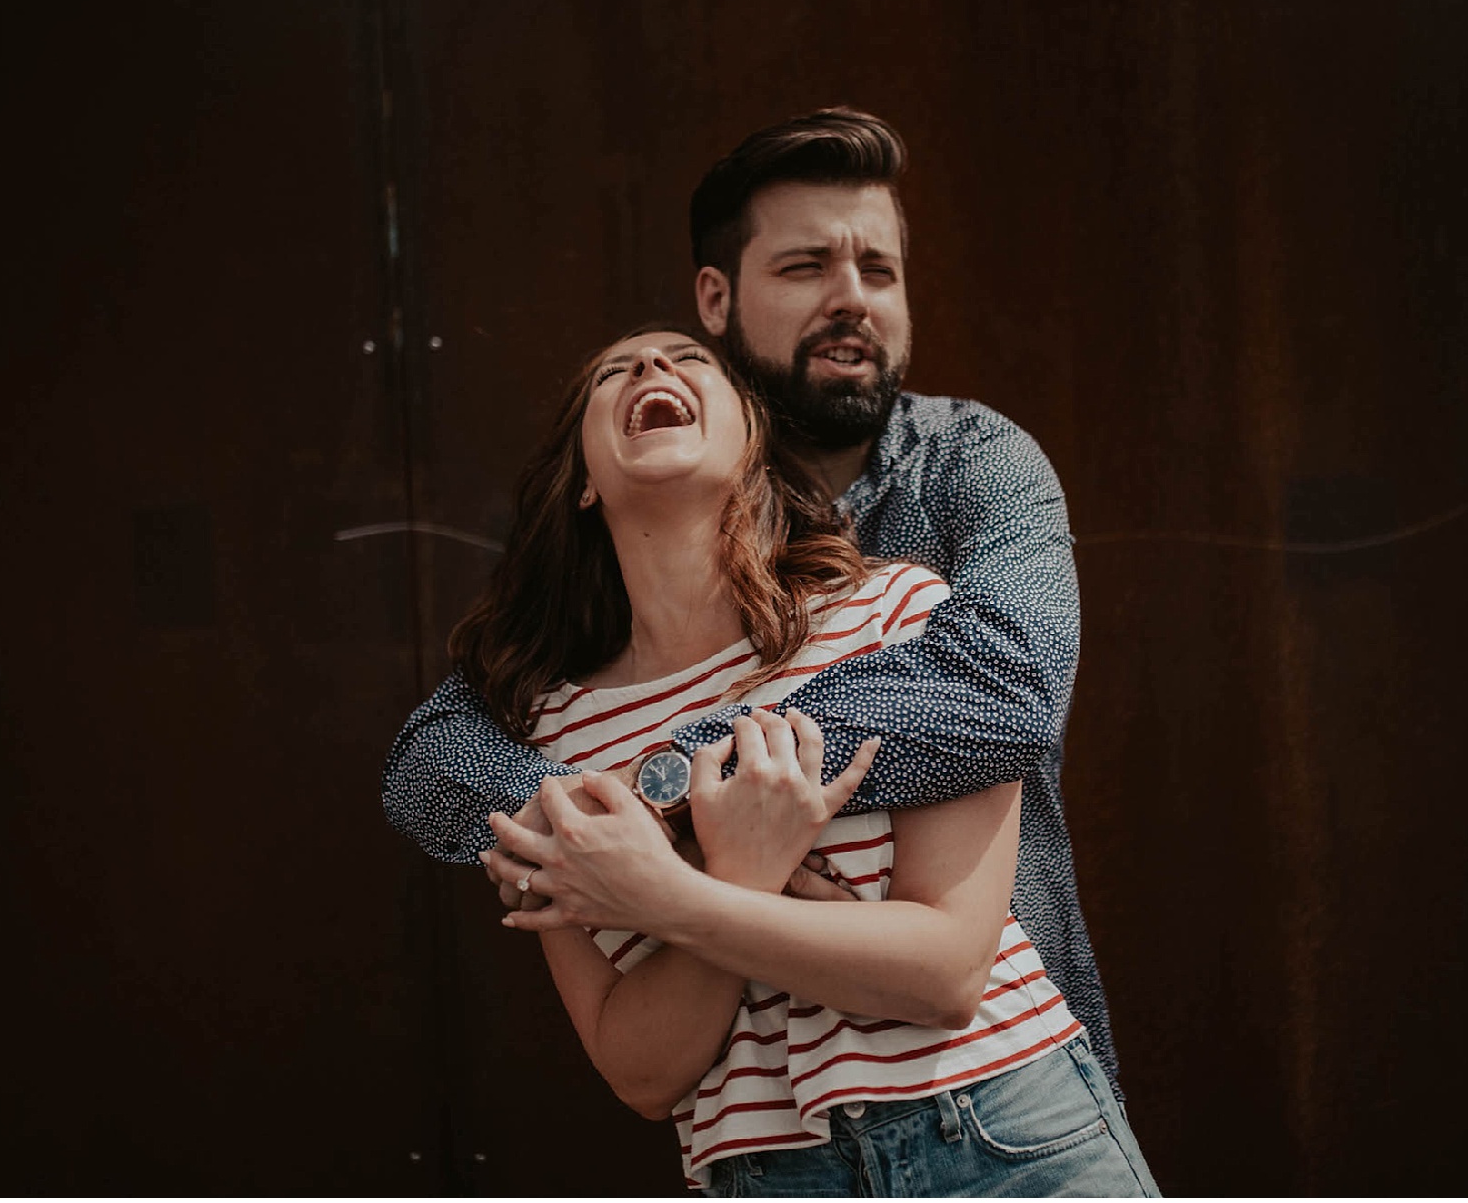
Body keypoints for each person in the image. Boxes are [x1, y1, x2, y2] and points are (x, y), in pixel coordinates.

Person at [383, 108, 1122, 1102]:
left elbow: (1002, 693)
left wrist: (656, 810)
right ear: (715, 300)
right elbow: (436, 752)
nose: (852, 299)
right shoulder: (636, 528)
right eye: (806, 267)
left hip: (998, 1074)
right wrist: (560, 826)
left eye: (880, 271)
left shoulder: (969, 465)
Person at [465, 326, 1157, 1195]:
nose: (651, 368)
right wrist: (747, 872)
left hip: (1004, 1130)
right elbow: (642, 1074)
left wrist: (671, 895)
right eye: (614, 370)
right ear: (581, 488)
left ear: (754, 445)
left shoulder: (899, 617)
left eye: (691, 361)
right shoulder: (550, 745)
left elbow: (945, 971)